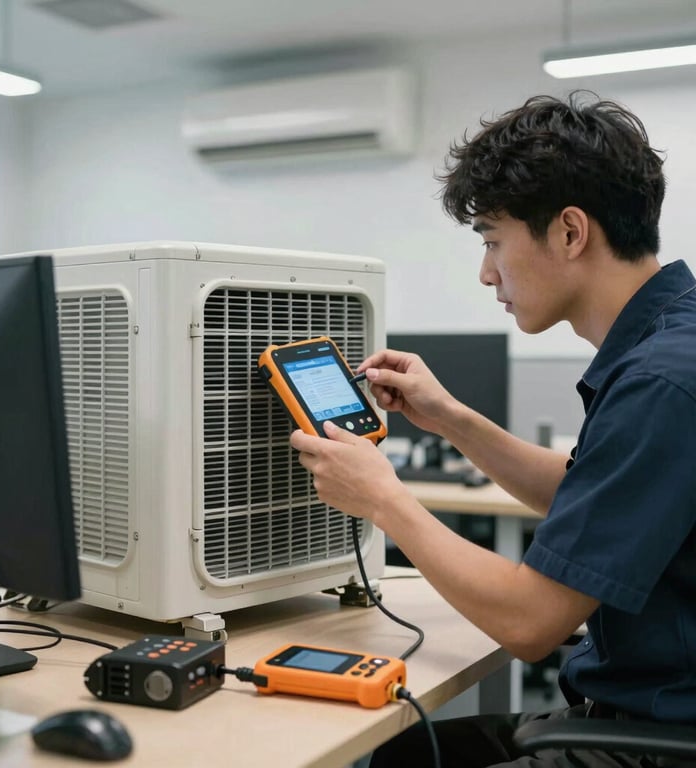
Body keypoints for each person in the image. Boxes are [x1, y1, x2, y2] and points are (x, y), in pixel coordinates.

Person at [289, 91, 696, 768]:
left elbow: (530, 624)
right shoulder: (671, 343)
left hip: (659, 742)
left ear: (570, 232)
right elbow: (593, 495)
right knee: (400, 754)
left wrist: (384, 500)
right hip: (642, 713)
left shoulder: (660, 381)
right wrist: (453, 419)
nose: (486, 273)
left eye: (492, 240)